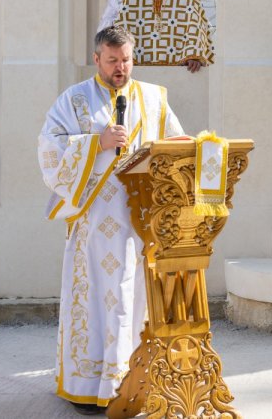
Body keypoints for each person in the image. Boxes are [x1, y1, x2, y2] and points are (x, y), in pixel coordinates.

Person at [37, 26, 184, 414]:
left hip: (139, 223)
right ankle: (90, 385)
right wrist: (95, 144)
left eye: (126, 60)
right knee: (96, 302)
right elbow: (49, 150)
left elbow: (175, 144)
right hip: (94, 226)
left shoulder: (153, 98)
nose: (121, 67)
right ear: (97, 59)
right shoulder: (74, 100)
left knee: (133, 300)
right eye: (113, 60)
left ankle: (135, 383)